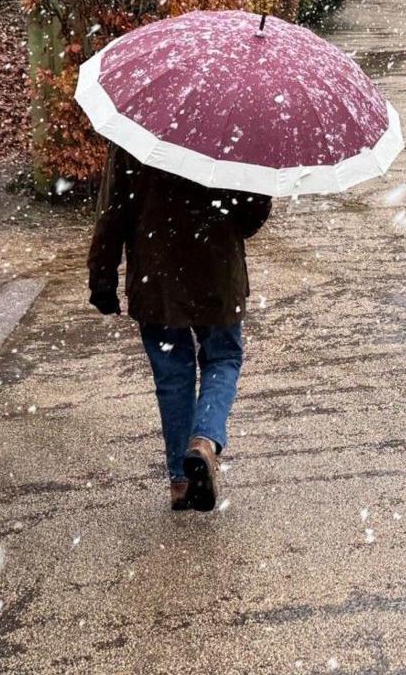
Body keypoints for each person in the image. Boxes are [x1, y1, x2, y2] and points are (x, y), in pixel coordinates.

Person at [88, 147, 271, 511]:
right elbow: (252, 214)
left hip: (156, 275)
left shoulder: (136, 130)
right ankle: (204, 440)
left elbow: (113, 211)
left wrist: (102, 276)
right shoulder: (236, 126)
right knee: (223, 358)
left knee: (173, 375)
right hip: (217, 270)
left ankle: (181, 481)